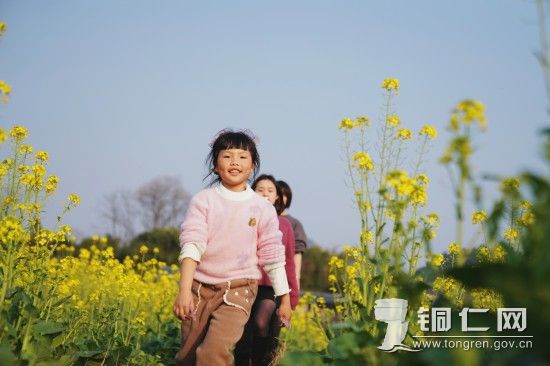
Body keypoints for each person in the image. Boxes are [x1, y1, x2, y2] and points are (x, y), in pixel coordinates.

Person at [173, 130, 292, 366]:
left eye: (242, 157)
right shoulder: (203, 201)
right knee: (187, 358)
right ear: (215, 165)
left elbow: (273, 256)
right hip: (199, 289)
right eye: (227, 156)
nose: (234, 162)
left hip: (239, 289)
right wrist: (184, 290)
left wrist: (285, 299)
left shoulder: (262, 207)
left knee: (212, 354)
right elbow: (192, 246)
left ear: (253, 166)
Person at [235, 174, 299, 366]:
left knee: (262, 323)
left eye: (270, 190)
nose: (265, 194)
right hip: (244, 283)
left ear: (277, 197)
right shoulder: (242, 217)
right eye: (260, 189)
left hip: (270, 287)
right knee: (242, 332)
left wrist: (292, 297)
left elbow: (289, 262)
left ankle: (260, 362)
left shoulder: (285, 224)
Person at [277, 180, 307, 289]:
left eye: (284, 194)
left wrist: (296, 278)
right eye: (278, 193)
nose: (281, 197)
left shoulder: (294, 223)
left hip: (284, 276)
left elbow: (297, 252)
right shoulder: (262, 218)